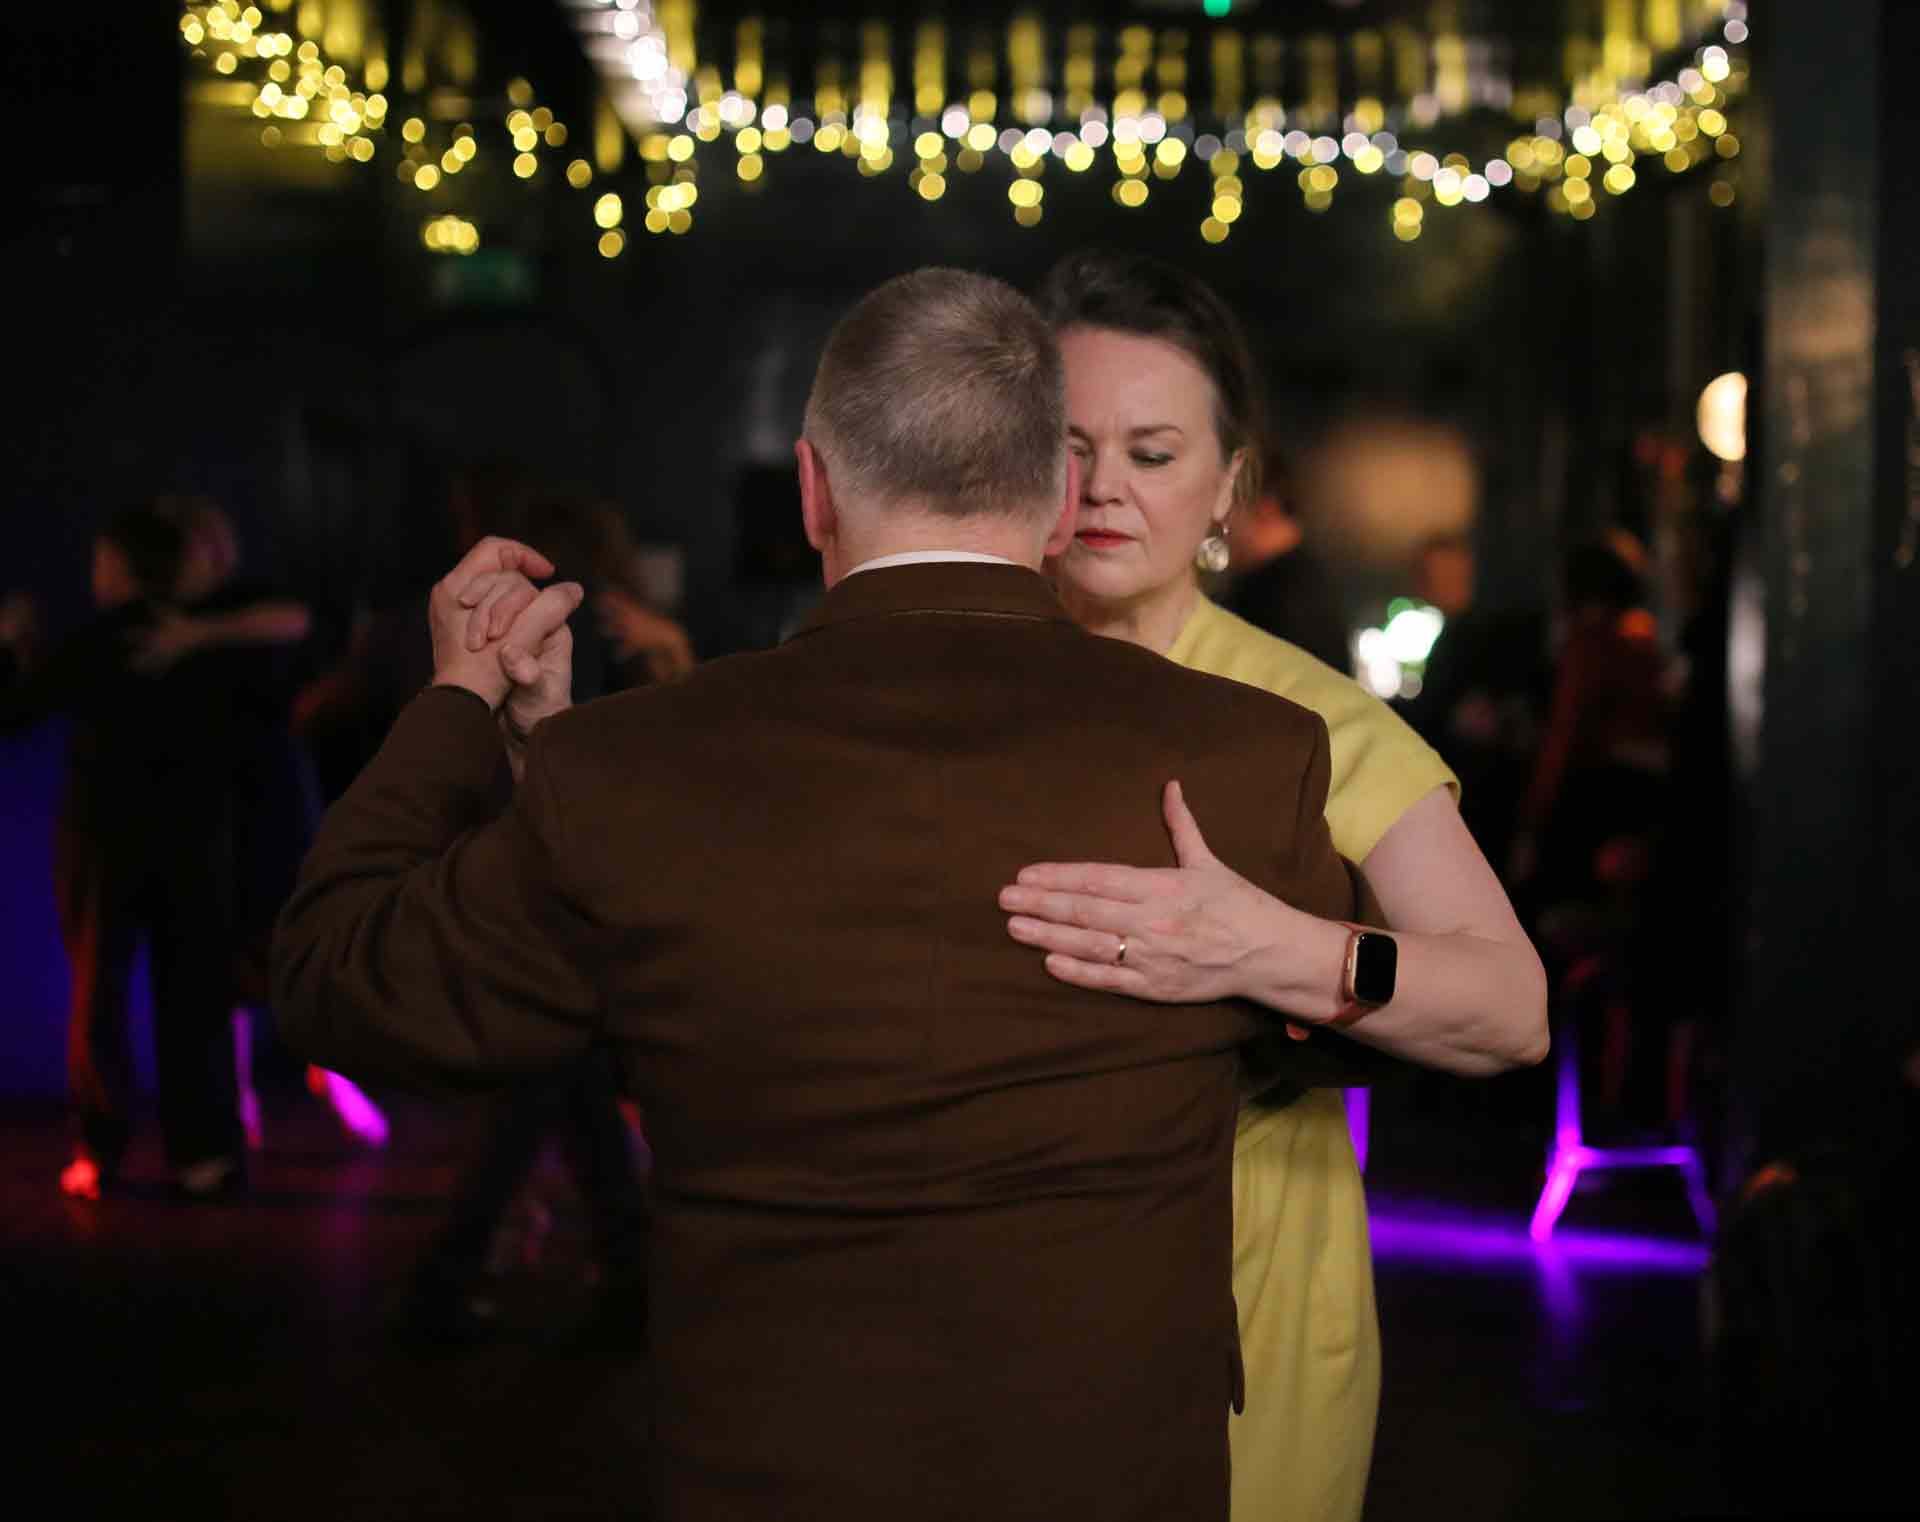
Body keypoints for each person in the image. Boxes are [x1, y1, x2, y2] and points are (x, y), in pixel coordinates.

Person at [274, 268, 1376, 1519]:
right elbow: (1354, 1033)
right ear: (1061, 498)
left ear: (810, 489)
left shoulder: (625, 769)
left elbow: (330, 982)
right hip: (1114, 1478)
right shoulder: (1247, 752)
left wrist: (458, 702)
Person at [996, 249, 1548, 1522]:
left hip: (1242, 1301)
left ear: (1228, 488)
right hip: (999, 1292)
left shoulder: (1314, 719)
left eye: (1152, 452)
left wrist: (1270, 948)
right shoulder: (963, 685)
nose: (1103, 488)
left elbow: (1510, 1006)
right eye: (1068, 447)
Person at [1, 507, 245, 1197]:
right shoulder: (207, 640)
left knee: (98, 994)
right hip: (194, 838)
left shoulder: (98, 640)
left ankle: (101, 1149)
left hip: (104, 841)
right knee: (193, 996)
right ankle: (205, 1156)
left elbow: (14, 711)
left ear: (119, 567)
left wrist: (12, 643)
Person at [1219, 446, 1352, 673]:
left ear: (1265, 509)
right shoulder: (1309, 580)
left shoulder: (1270, 594)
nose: (1220, 521)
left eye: (1228, 505)